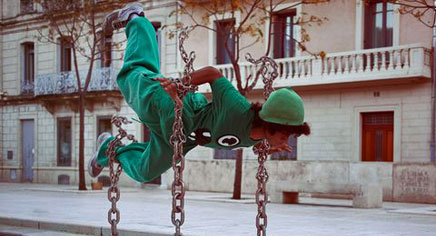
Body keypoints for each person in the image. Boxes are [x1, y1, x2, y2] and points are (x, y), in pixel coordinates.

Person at [88, 2, 310, 183]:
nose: (285, 138)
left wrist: (270, 145)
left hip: (180, 139)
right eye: (284, 132)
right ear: (270, 123)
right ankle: (136, 19)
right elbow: (214, 73)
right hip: (171, 107)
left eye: (289, 134)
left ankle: (107, 148)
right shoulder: (236, 107)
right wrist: (180, 85)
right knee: (133, 73)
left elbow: (246, 141)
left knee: (145, 172)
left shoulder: (259, 137)